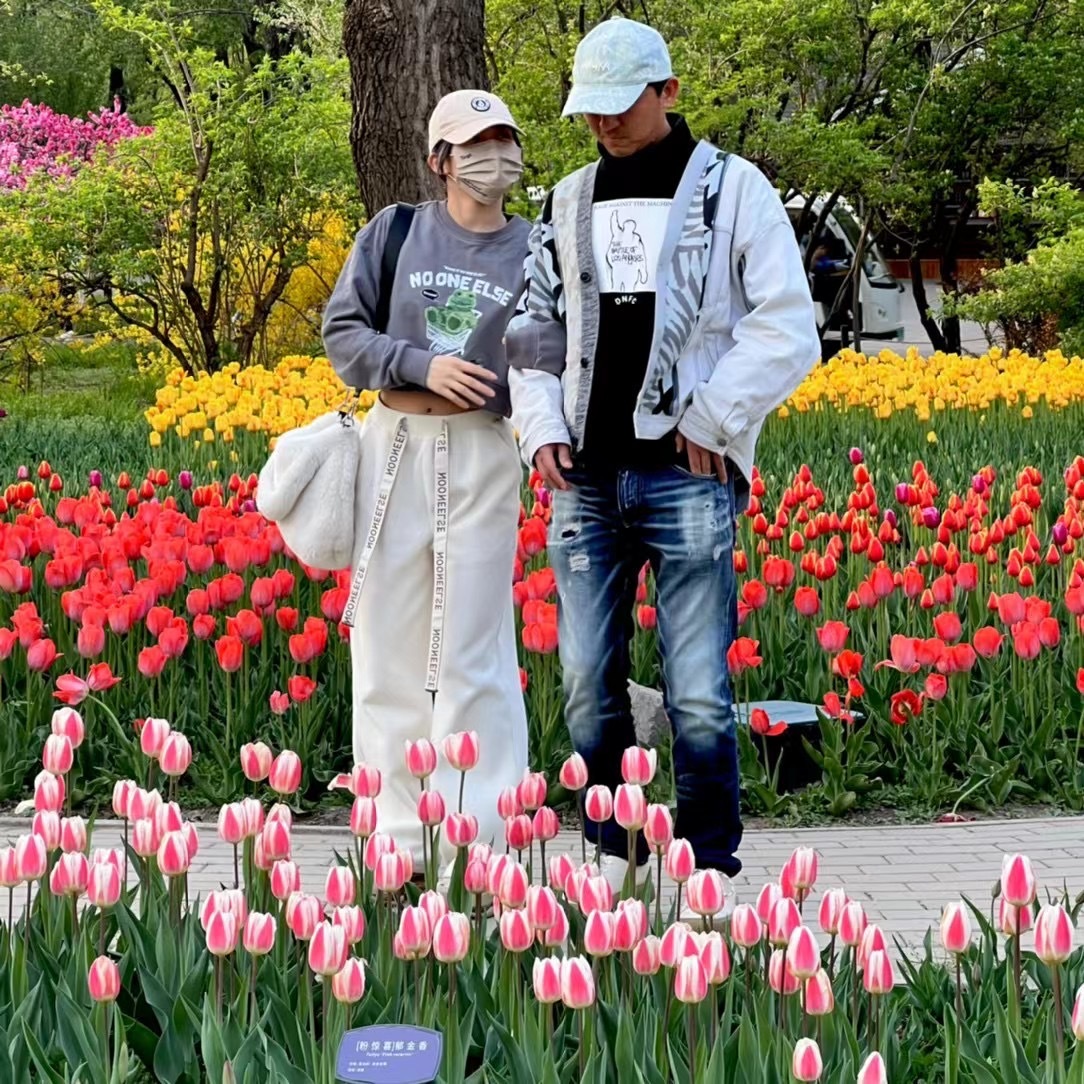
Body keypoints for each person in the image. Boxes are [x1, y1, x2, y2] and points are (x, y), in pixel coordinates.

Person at [506, 18, 819, 916]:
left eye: (620, 104)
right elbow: (534, 330)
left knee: (699, 689)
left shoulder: (732, 189)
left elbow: (786, 323)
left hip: (688, 477)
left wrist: (714, 416)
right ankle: (614, 853)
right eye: (590, 108)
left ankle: (709, 866)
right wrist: (539, 428)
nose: (603, 123)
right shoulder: (566, 200)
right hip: (584, 478)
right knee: (585, 684)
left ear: (668, 92)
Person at [321, 89, 531, 877]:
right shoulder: (397, 231)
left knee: (471, 651)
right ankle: (397, 850)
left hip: (481, 452)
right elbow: (345, 333)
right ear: (441, 159)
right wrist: (418, 364)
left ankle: (478, 852)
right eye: (475, 143)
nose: (494, 156)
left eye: (504, 139)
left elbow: (554, 353)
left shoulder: (536, 249)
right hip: (396, 445)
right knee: (387, 649)